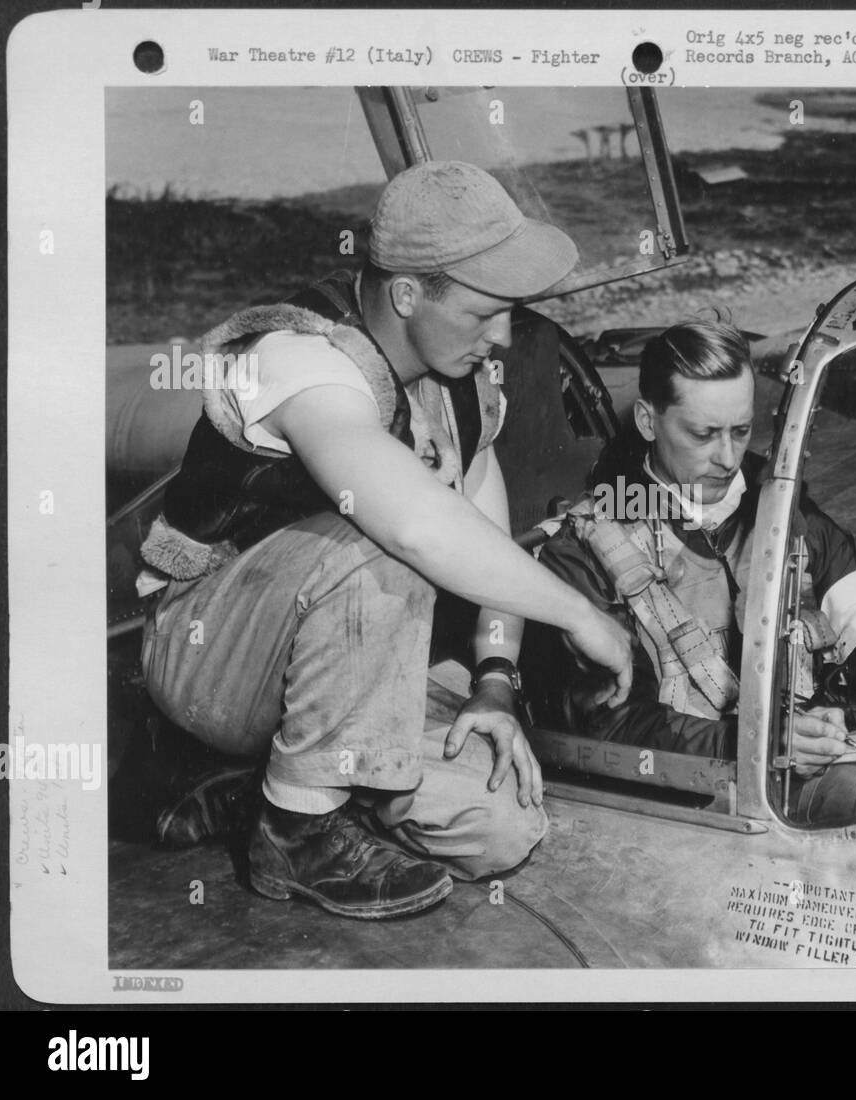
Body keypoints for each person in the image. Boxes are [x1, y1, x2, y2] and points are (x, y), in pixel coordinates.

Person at [137, 161, 633, 919]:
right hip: (212, 656)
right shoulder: (302, 358)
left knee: (500, 826)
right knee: (380, 540)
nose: (503, 337)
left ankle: (264, 789)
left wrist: (496, 679)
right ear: (407, 294)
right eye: (484, 312)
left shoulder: (462, 376)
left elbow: (481, 526)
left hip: (343, 663)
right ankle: (296, 831)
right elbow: (415, 525)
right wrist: (583, 615)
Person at [528, 319, 856, 823]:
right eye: (703, 434)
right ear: (647, 421)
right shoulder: (587, 549)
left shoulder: (783, 508)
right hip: (697, 801)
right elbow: (610, 730)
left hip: (813, 751)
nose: (727, 458)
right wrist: (756, 741)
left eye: (740, 431)